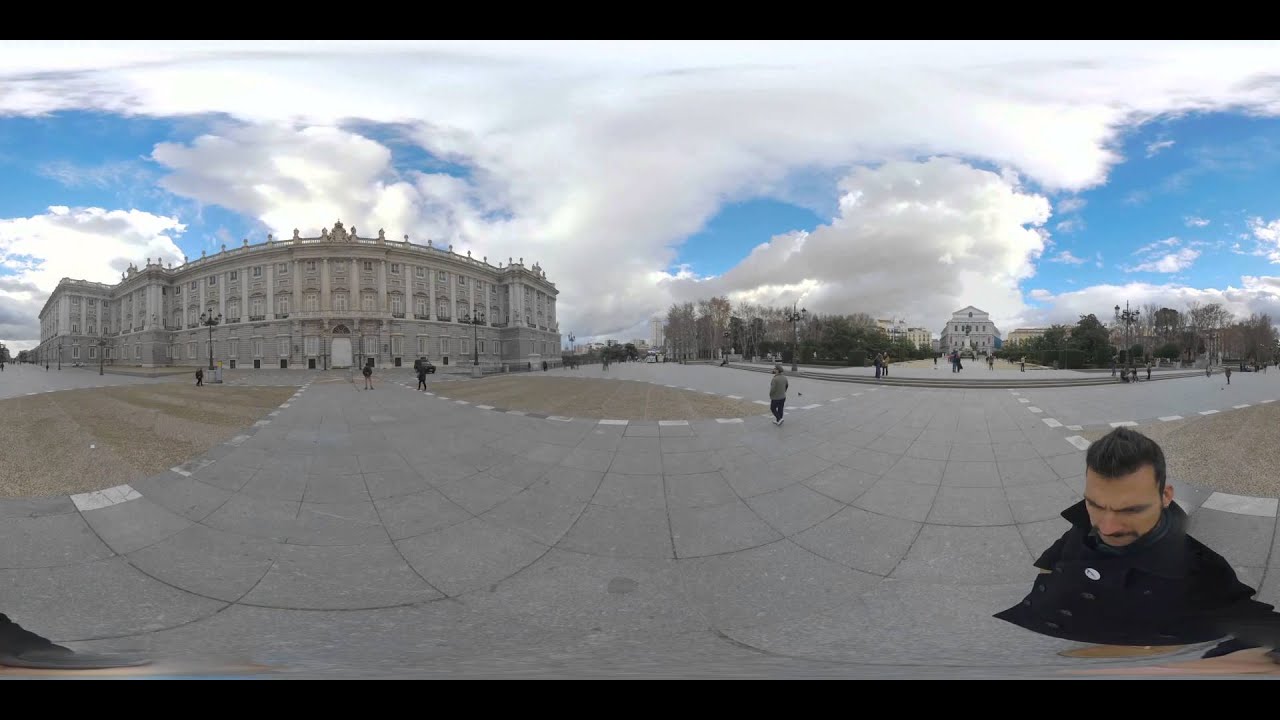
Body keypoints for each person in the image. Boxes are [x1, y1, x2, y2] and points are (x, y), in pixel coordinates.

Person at [994, 427, 1280, 659]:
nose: (1106, 527)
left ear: (1166, 496)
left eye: (1130, 510)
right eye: (1094, 504)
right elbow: (1048, 563)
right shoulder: (1081, 526)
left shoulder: (1202, 572)